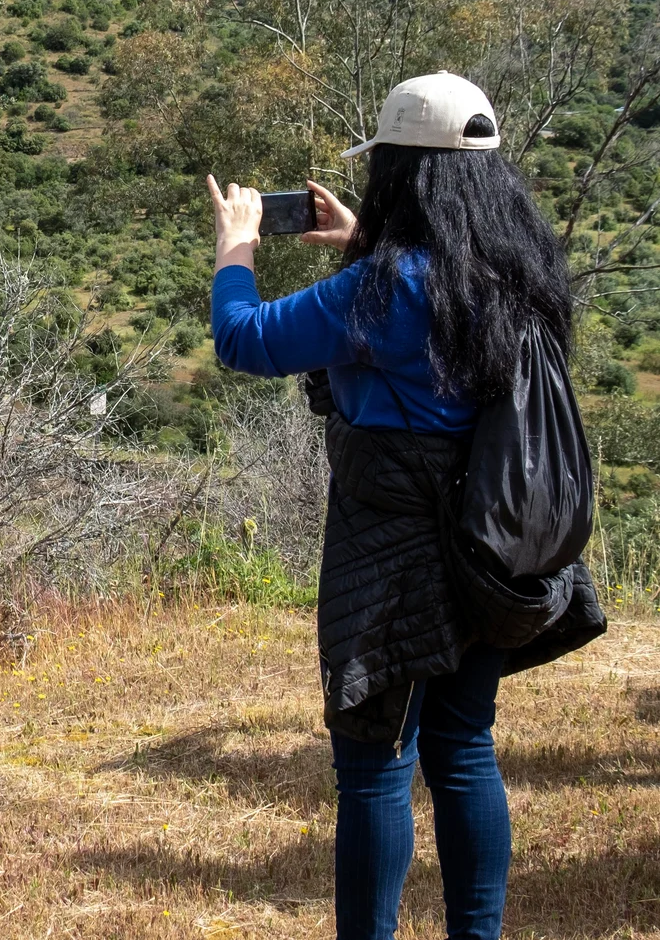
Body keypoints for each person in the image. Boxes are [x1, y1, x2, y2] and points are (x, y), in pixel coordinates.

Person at [206, 72, 605, 940]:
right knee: (464, 747)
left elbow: (246, 339)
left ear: (402, 174)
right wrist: (358, 240)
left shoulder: (381, 292)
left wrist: (236, 247)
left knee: (374, 768)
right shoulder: (516, 273)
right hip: (486, 548)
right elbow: (435, 322)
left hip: (391, 554)